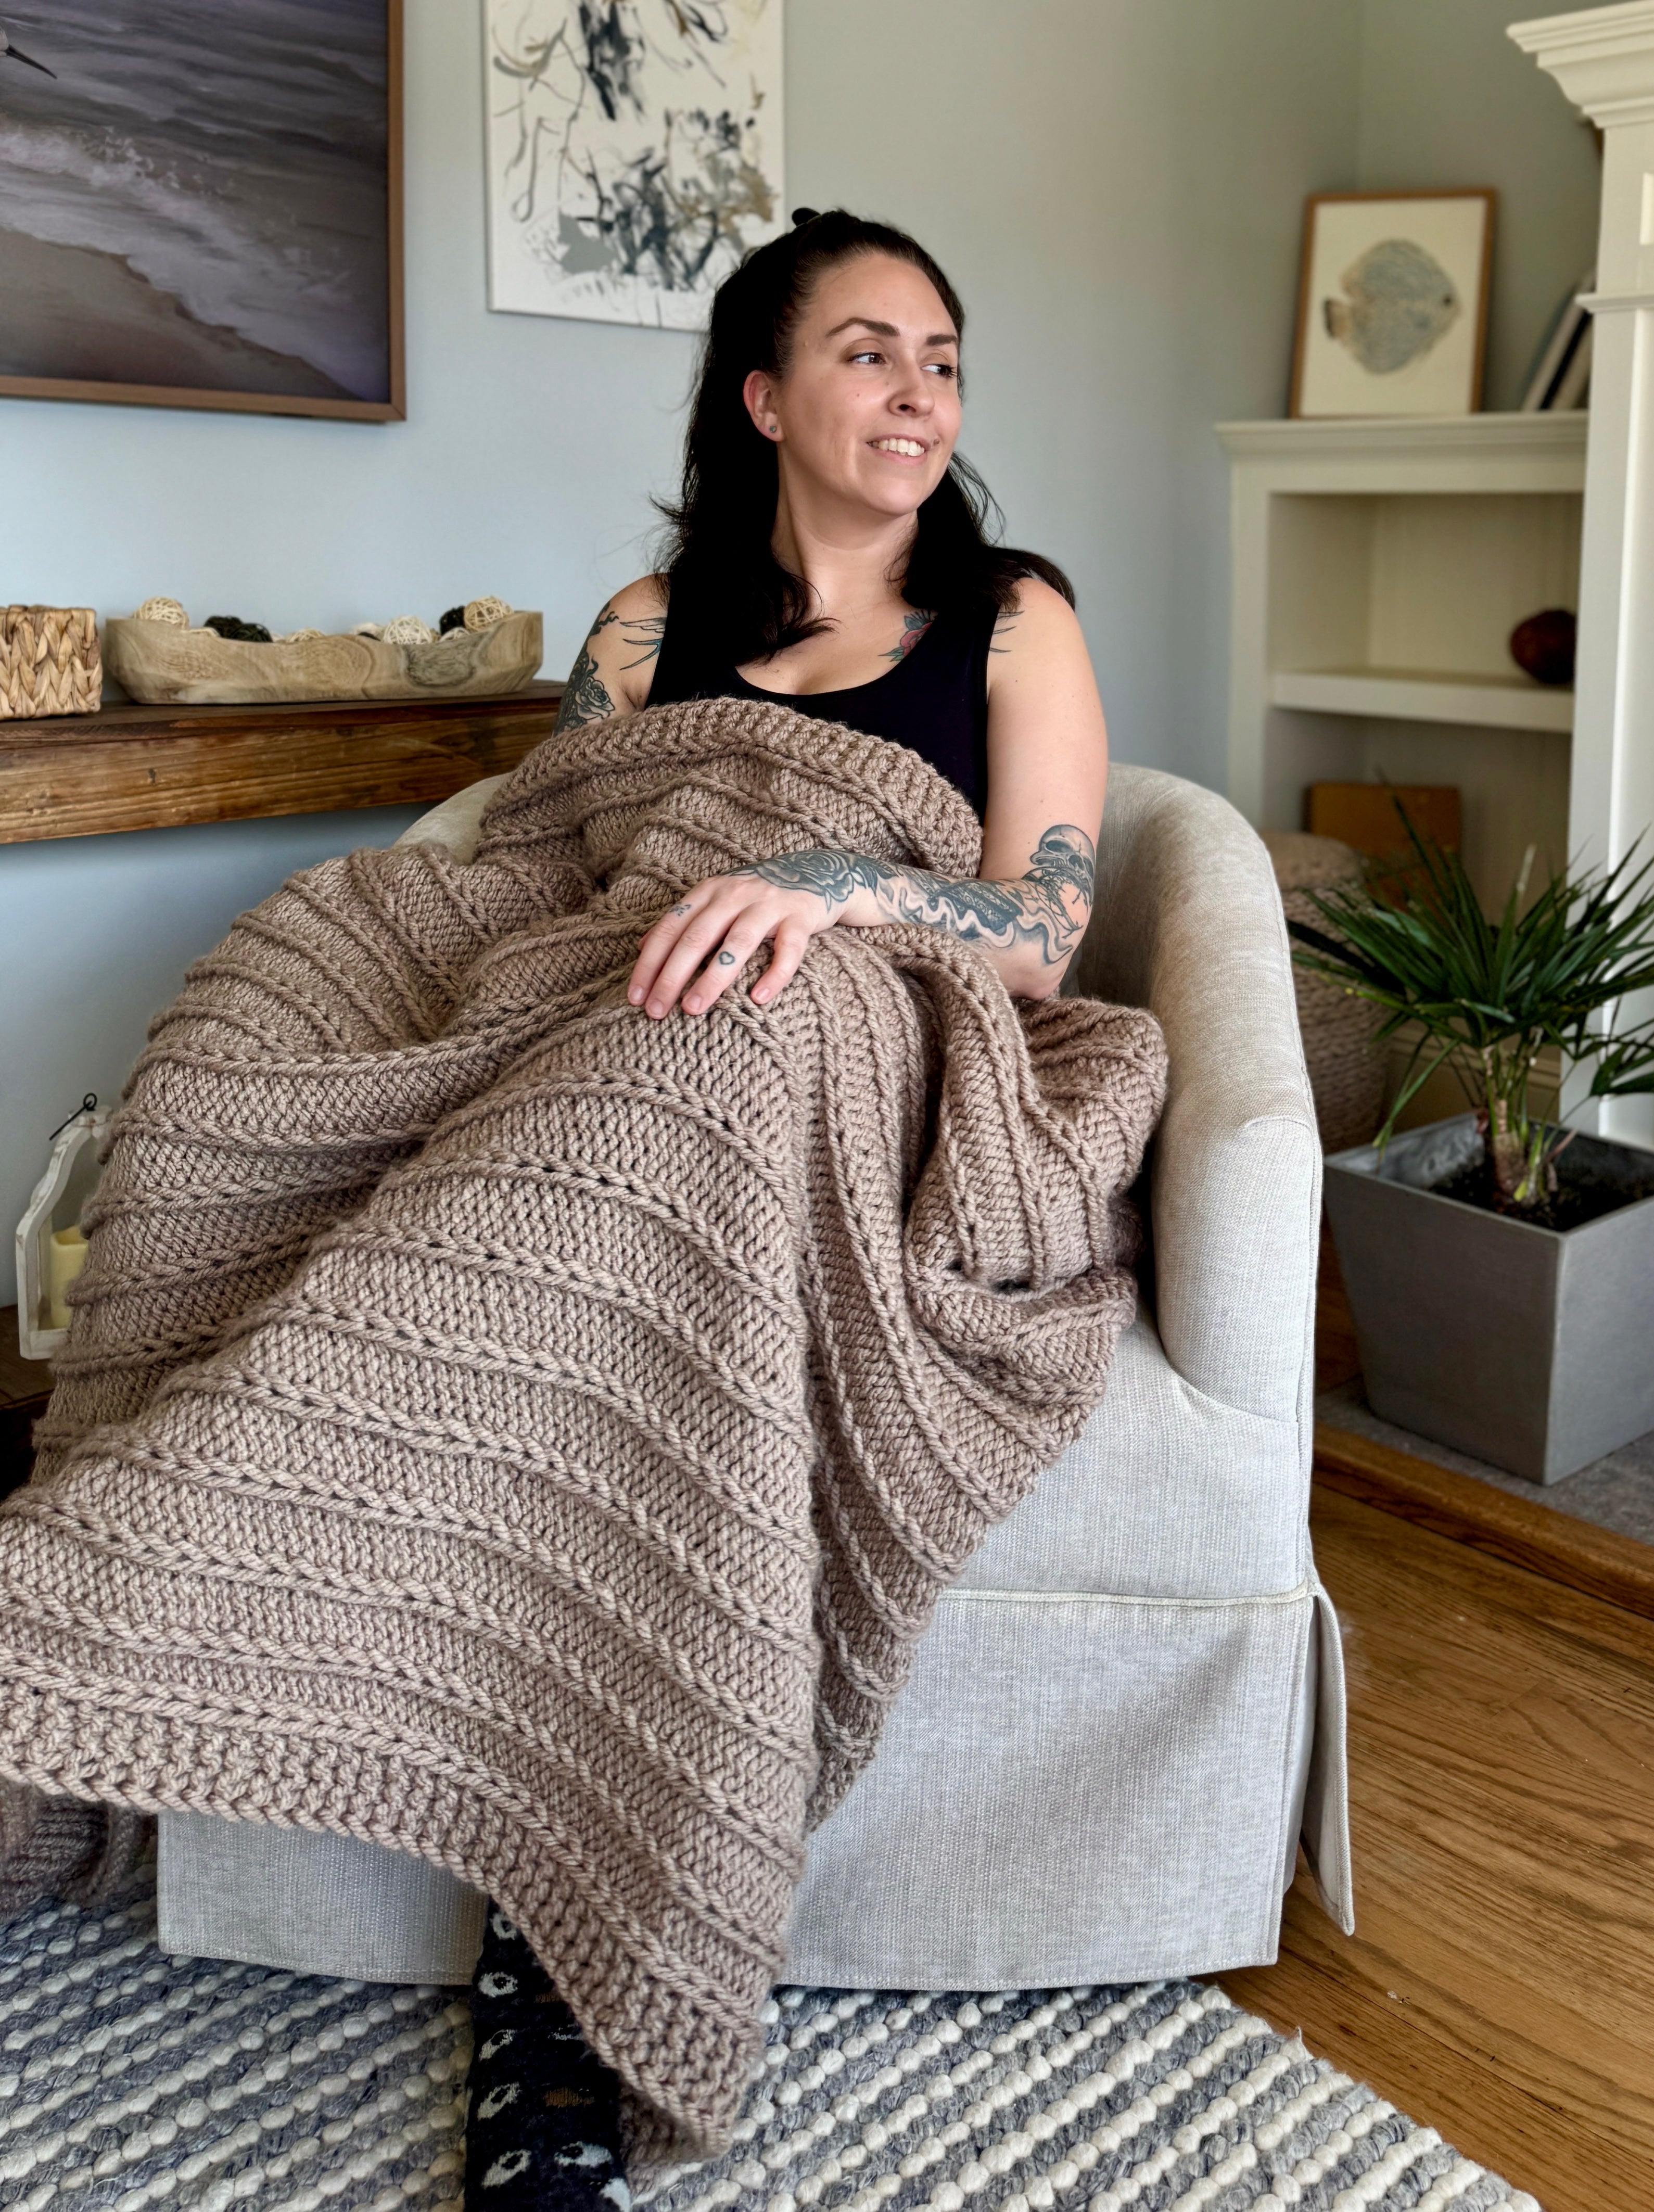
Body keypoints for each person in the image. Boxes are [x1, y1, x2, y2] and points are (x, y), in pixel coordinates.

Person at [462, 207, 1110, 2209]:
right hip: (639, 1042)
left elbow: (1043, 930)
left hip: (884, 1066)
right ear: (764, 394)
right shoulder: (648, 633)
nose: (919, 392)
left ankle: (559, 1985)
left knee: (745, 1043)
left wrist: (832, 886)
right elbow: (546, 875)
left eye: (944, 356)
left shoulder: (1011, 612)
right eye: (867, 353)